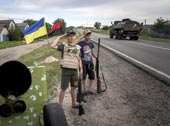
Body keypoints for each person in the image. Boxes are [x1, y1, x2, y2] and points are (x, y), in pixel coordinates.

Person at [51, 29, 82, 108]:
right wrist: (60, 37)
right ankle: (60, 106)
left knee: (74, 88)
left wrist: (81, 68)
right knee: (63, 88)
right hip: (66, 71)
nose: (71, 37)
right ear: (66, 37)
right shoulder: (63, 46)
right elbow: (52, 46)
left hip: (74, 71)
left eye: (73, 36)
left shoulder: (78, 48)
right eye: (69, 36)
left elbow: (78, 58)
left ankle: (73, 104)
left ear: (75, 37)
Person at [78, 29, 97, 94]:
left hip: (90, 63)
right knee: (83, 77)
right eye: (86, 35)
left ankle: (89, 89)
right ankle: (84, 89)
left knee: (92, 77)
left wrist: (96, 57)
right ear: (84, 36)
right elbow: (74, 43)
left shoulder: (91, 44)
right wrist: (80, 37)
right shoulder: (80, 44)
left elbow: (92, 52)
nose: (88, 37)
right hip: (83, 63)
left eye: (89, 35)